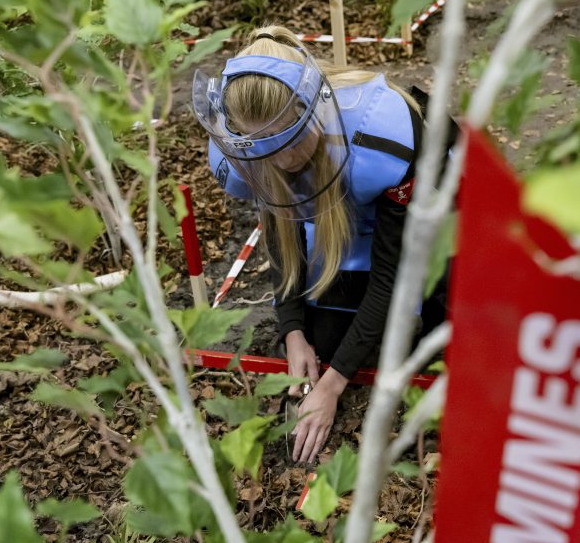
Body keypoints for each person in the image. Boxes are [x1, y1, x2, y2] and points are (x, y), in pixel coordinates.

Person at [192, 26, 449, 463]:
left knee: (413, 343)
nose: (279, 164)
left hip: (416, 207)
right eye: (263, 154)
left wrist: (333, 385)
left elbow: (392, 274)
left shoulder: (384, 140)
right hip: (345, 212)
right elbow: (283, 240)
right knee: (323, 340)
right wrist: (292, 332)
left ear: (310, 111)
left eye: (288, 146)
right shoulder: (242, 158)